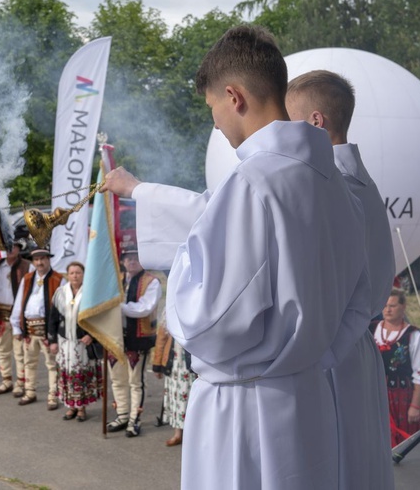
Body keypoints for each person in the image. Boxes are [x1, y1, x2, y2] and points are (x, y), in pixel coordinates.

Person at [106, 25, 371, 488]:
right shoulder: (336, 185)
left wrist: (185, 266)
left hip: (247, 411)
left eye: (212, 108)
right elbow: (355, 297)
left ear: (234, 96)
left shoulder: (252, 182)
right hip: (309, 397)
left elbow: (213, 321)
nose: (215, 122)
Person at [286, 69, 395, 488]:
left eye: (290, 122)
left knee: (335, 468)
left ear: (315, 122)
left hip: (331, 352)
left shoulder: (336, 188)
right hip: (350, 351)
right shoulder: (358, 182)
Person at [107, 244, 160, 437]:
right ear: (122, 261)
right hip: (116, 336)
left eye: (135, 257)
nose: (131, 261)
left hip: (138, 338)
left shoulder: (151, 282)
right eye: (128, 258)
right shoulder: (118, 279)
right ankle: (122, 414)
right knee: (117, 379)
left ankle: (134, 419)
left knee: (135, 381)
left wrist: (117, 306)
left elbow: (144, 308)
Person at [372, 289, 420, 447]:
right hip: (374, 394)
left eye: (392, 305)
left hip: (401, 397)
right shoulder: (371, 330)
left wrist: (415, 405)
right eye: (385, 305)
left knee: (402, 443)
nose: (387, 310)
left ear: (403, 307)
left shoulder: (413, 335)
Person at [10, 247, 64, 409]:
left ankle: (53, 395)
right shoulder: (28, 278)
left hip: (48, 329)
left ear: (48, 260)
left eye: (43, 259)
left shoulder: (58, 279)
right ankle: (30, 392)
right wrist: (17, 327)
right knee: (29, 362)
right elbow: (19, 302)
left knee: (52, 364)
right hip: (29, 328)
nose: (39, 262)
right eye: (36, 260)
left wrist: (56, 332)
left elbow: (62, 308)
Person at [48, 261, 102, 422]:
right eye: (72, 273)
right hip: (65, 342)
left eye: (78, 273)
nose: (75, 276)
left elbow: (98, 319)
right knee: (67, 375)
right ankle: (71, 406)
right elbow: (53, 318)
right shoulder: (60, 293)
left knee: (80, 375)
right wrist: (52, 340)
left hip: (82, 343)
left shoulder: (90, 293)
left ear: (83, 275)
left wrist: (91, 335)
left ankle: (81, 408)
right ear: (67, 275)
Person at [0, 238, 32, 395]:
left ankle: (21, 382)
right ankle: (6, 379)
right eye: (7, 246)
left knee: (19, 351)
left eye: (14, 247)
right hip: (0, 314)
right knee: (2, 349)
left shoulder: (27, 266)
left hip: (18, 316)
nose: (10, 249)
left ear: (19, 249)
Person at [153, 309, 193, 447]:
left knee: (192, 399)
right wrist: (157, 364)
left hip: (192, 363)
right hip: (174, 362)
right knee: (176, 398)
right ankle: (178, 433)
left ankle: (193, 435)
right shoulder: (170, 310)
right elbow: (161, 338)